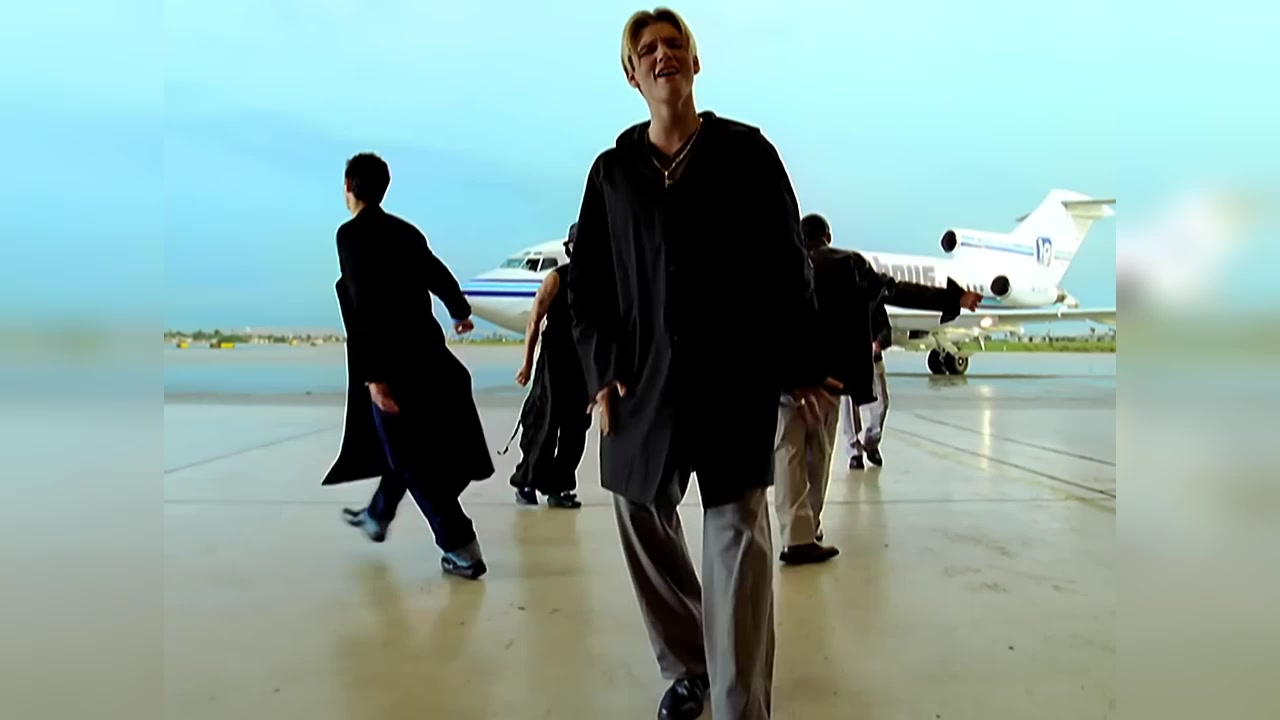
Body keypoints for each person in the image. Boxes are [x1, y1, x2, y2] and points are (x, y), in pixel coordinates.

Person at [567, 9, 840, 720]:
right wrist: (601, 371)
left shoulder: (746, 154)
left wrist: (800, 364)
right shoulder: (613, 174)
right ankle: (691, 662)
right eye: (647, 50)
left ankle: (738, 707)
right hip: (643, 382)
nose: (663, 56)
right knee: (635, 507)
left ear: (694, 62)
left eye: (674, 44)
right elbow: (588, 284)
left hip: (732, 379)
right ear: (632, 75)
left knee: (736, 542)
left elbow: (788, 267)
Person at [321, 152, 493, 581]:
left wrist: (375, 377)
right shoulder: (406, 232)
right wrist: (459, 310)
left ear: (349, 186)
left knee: (413, 461)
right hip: (431, 359)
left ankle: (461, 549)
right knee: (403, 450)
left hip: (394, 368)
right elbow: (436, 272)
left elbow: (363, 304)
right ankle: (378, 516)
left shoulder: (351, 235)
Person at [776, 213, 980, 561]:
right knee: (817, 454)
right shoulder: (849, 263)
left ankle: (793, 536)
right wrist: (954, 299)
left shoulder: (782, 262)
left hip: (787, 378)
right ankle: (808, 531)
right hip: (828, 378)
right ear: (828, 236)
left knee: (787, 453)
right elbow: (896, 290)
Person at [507, 222, 590, 509]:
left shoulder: (600, 281)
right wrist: (527, 364)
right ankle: (527, 482)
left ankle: (559, 487)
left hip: (583, 364)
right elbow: (534, 322)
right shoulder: (555, 279)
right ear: (570, 248)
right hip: (555, 360)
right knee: (544, 421)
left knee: (576, 428)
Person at [842, 296, 892, 469]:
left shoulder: (873, 301)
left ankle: (871, 443)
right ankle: (854, 451)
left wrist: (879, 343)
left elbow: (886, 329)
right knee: (849, 408)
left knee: (882, 405)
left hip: (872, 359)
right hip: (848, 360)